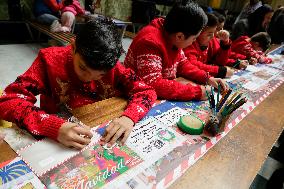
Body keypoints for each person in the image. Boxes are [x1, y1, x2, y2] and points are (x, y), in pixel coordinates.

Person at [0, 19, 157, 149]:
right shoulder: (49, 61)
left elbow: (147, 91)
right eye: (83, 68)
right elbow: (8, 101)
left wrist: (129, 117)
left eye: (100, 75)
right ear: (73, 46)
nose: (88, 79)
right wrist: (52, 126)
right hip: (56, 135)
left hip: (95, 123)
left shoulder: (115, 68)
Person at [124, 0, 228, 101]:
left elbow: (183, 64)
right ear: (180, 36)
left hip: (156, 93)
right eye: (194, 38)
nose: (194, 41)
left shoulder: (173, 36)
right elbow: (154, 84)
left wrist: (207, 78)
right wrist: (197, 91)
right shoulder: (150, 42)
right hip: (130, 95)